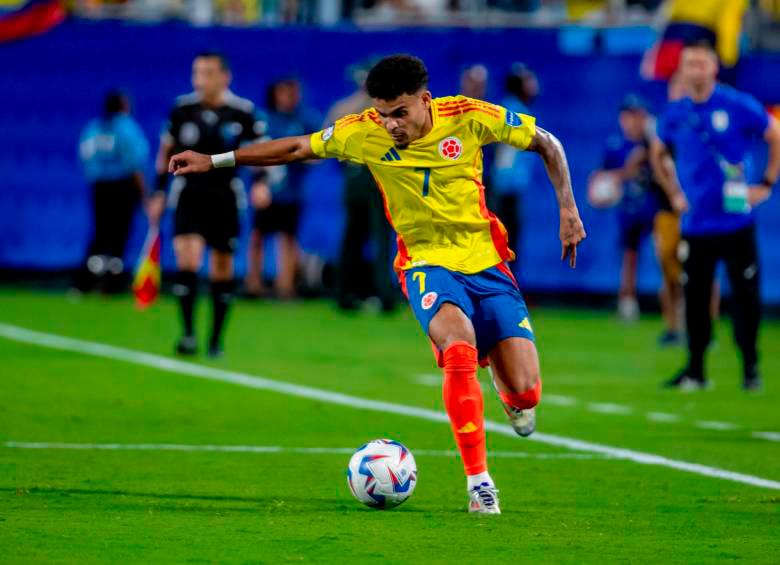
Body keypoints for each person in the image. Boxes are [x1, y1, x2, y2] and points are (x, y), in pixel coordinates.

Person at [168, 54, 586, 514]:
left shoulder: (468, 116)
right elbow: (295, 149)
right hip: (426, 264)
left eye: (400, 114)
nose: (389, 125)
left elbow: (547, 143)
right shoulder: (362, 130)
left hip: (488, 265)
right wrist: (214, 160)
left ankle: (508, 389)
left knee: (526, 393)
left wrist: (568, 208)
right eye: (383, 114)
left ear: (425, 101)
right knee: (459, 349)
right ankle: (479, 484)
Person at [650, 40, 780, 390]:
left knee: (746, 297)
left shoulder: (736, 104)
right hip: (696, 224)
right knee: (695, 298)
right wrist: (674, 192)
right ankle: (696, 369)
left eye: (701, 63)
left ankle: (750, 365)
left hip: (737, 221)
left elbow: (774, 134)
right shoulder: (675, 113)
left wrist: (766, 184)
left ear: (713, 67)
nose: (695, 70)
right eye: (689, 64)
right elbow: (658, 151)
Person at [147, 51, 265, 358]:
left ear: (225, 77)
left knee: (222, 266)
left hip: (226, 194)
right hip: (189, 193)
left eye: (208, 73)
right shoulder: (182, 109)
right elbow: (165, 151)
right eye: (197, 72)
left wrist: (262, 184)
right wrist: (158, 191)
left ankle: (215, 340)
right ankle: (187, 334)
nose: (200, 79)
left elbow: (261, 152)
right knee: (187, 257)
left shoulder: (243, 112)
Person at [327, 60, 398, 312]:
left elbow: (329, 143)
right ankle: (383, 294)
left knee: (353, 237)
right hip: (376, 175)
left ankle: (346, 293)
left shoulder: (344, 107)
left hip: (354, 174)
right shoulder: (383, 108)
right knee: (377, 237)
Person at [245, 78, 320, 299]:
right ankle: (254, 284)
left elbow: (319, 151)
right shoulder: (263, 119)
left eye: (293, 93)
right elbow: (250, 151)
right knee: (258, 235)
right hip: (267, 189)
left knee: (287, 237)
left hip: (292, 191)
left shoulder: (305, 120)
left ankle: (285, 286)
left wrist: (305, 157)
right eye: (284, 92)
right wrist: (258, 183)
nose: (289, 97)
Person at [74, 91, 149, 294]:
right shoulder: (126, 127)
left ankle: (84, 284)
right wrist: (144, 195)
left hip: (98, 187)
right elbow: (135, 164)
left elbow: (84, 158)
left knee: (100, 234)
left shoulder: (92, 128)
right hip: (122, 186)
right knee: (120, 235)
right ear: (124, 104)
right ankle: (111, 286)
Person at [491, 62, 539, 261]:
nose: (535, 85)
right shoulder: (513, 113)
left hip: (508, 190)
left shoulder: (513, 108)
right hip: (504, 192)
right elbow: (502, 156)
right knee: (503, 244)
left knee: (508, 245)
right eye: (528, 80)